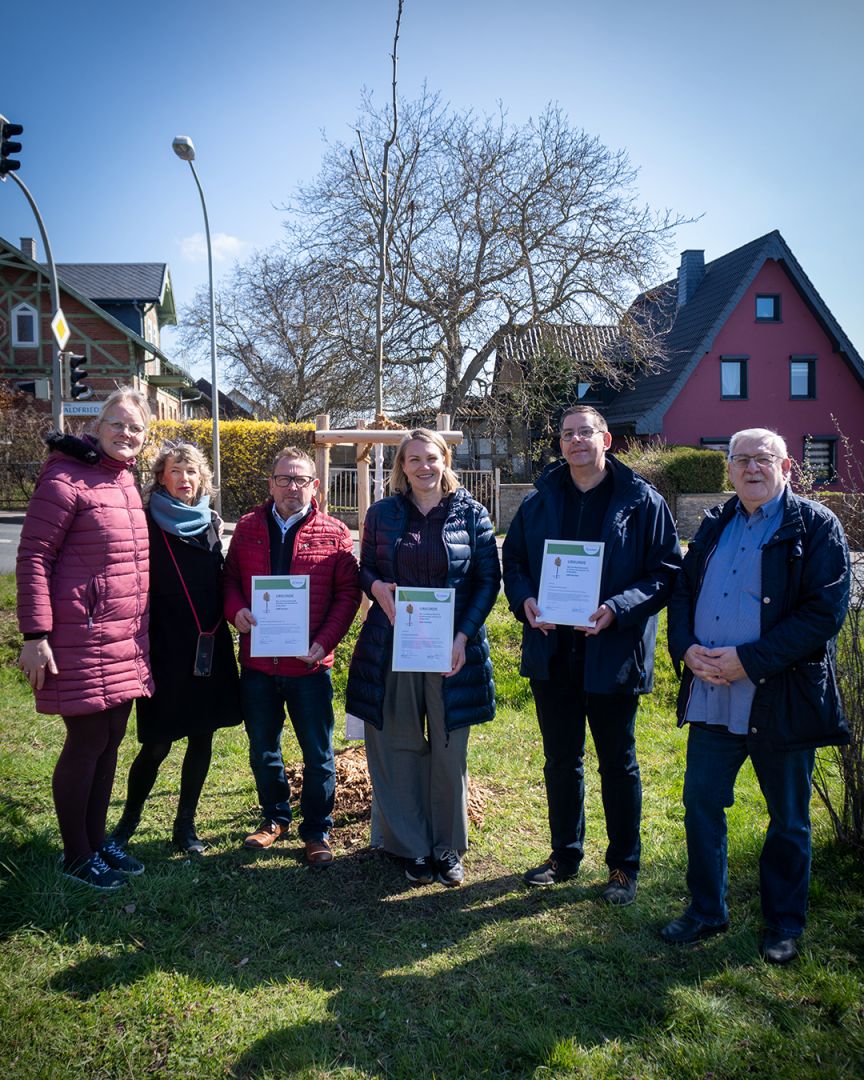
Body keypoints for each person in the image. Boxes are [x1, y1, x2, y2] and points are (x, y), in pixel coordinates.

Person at [661, 428, 850, 964]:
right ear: (728, 470)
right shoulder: (715, 523)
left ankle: (784, 924)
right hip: (712, 692)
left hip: (780, 695)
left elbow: (824, 613)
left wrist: (751, 659)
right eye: (739, 459)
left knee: (788, 817)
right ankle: (705, 910)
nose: (750, 468)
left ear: (786, 465)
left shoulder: (814, 526)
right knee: (701, 802)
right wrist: (687, 649)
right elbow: (682, 590)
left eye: (761, 459)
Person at [502, 405, 681, 904]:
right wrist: (525, 601)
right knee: (561, 760)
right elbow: (512, 560)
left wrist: (617, 608)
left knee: (617, 762)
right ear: (559, 444)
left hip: (613, 650)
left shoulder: (641, 500)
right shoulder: (540, 499)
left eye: (586, 431)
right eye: (567, 433)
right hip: (553, 650)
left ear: (606, 440)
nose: (576, 440)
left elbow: (666, 572)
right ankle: (565, 855)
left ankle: (624, 865)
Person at [345, 428, 500, 887]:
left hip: (452, 647)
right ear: (402, 466)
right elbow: (365, 566)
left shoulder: (471, 514)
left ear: (445, 459)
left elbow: (488, 580)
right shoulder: (382, 514)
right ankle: (410, 846)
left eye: (431, 458)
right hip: (393, 643)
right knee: (397, 743)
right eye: (413, 460)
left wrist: (462, 637)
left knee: (450, 750)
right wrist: (374, 587)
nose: (423, 467)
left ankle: (446, 846)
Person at [16, 387, 154, 891]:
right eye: (117, 424)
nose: (127, 433)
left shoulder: (123, 480)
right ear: (96, 426)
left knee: (111, 740)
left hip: (122, 636)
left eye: (136, 427)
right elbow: (34, 556)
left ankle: (96, 846)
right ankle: (75, 855)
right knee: (87, 740)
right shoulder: (64, 477)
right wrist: (35, 634)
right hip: (80, 634)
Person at [224, 446, 360, 867]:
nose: (292, 487)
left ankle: (317, 830)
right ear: (271, 483)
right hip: (259, 666)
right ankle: (274, 818)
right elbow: (228, 581)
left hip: (309, 665)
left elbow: (347, 593)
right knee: (264, 748)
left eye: (301, 479)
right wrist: (236, 612)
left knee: (318, 752)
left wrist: (325, 640)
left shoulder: (335, 532)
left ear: (314, 485)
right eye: (284, 479)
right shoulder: (247, 528)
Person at [110, 442, 241, 854]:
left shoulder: (211, 523)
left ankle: (185, 827)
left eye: (192, 472)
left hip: (209, 643)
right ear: (160, 478)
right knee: (158, 742)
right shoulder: (146, 523)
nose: (185, 479)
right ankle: (127, 823)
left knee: (202, 737)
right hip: (164, 648)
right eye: (176, 471)